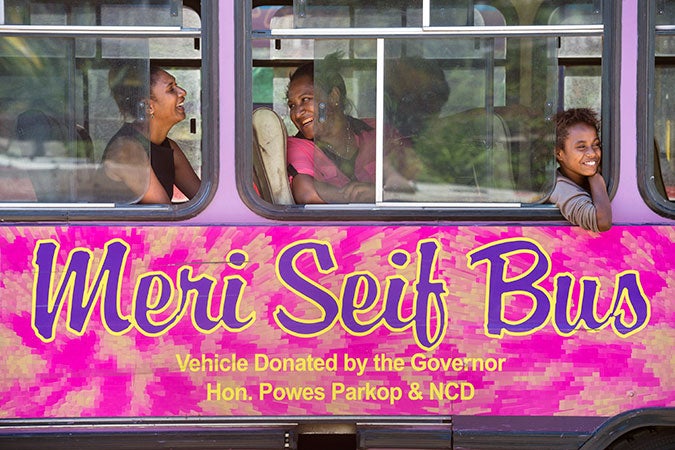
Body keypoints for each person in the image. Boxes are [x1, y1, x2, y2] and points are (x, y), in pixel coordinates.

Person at [285, 56, 416, 204]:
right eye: (292, 106)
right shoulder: (296, 146)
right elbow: (308, 195)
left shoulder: (377, 131)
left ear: (334, 96)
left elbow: (415, 181)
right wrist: (370, 197)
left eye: (305, 99)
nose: (296, 113)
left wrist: (382, 193)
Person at [102, 62, 200, 204]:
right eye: (171, 89)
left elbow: (202, 202)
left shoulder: (168, 145)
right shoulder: (127, 150)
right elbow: (164, 214)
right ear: (148, 106)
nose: (182, 92)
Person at [547, 108, 611, 232]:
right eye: (581, 147)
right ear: (559, 153)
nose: (592, 153)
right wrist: (595, 177)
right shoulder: (559, 187)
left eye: (596, 144)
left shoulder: (581, 175)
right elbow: (602, 222)